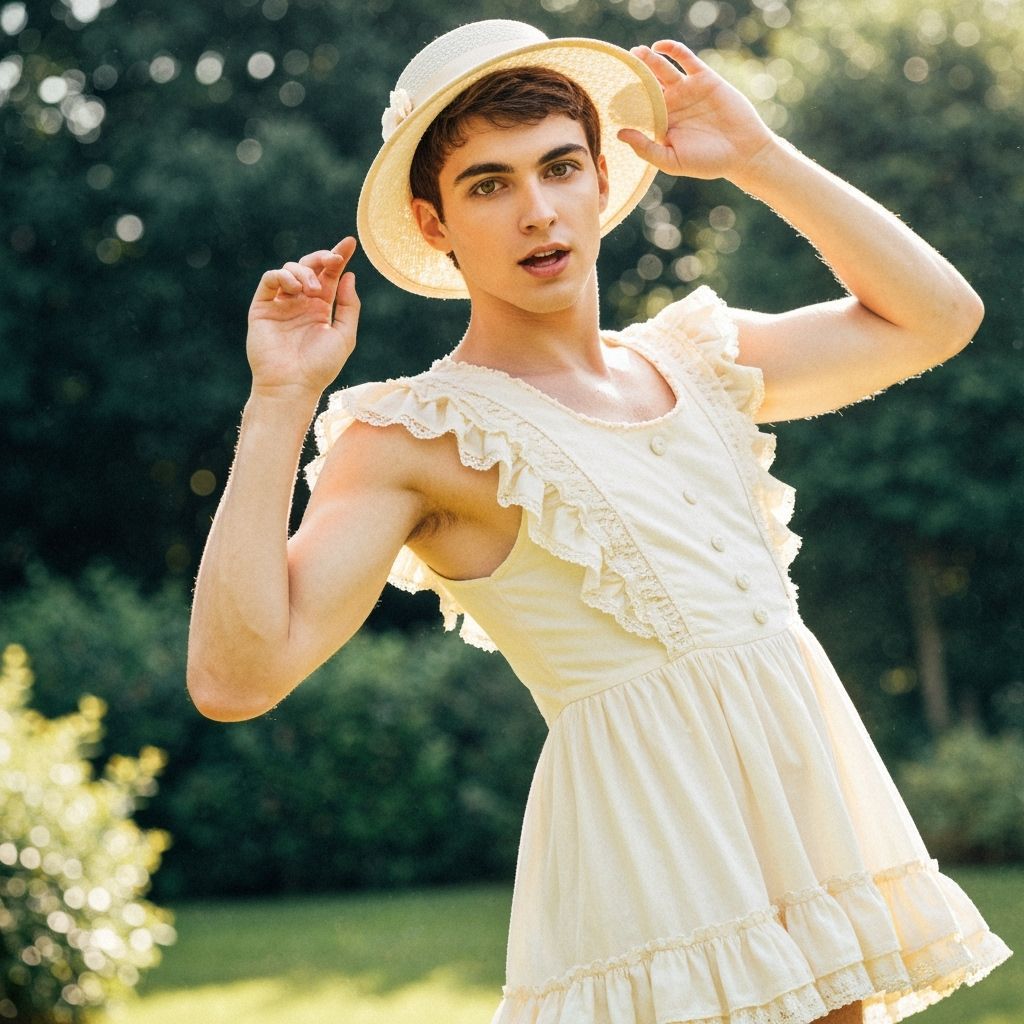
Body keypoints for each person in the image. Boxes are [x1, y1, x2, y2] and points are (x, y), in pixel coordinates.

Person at [186, 19, 1012, 1024]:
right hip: (652, 861)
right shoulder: (417, 434)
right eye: (488, 184)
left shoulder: (698, 357)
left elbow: (938, 318)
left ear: (599, 175)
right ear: (435, 222)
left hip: (806, 820)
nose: (536, 211)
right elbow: (235, 675)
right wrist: (280, 399)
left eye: (558, 167)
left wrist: (759, 157)